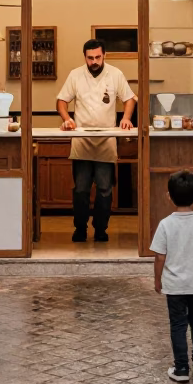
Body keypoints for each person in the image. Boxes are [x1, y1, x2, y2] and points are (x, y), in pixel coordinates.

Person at [56, 40, 136, 243]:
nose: (94, 61)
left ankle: (101, 229)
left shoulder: (115, 74)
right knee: (81, 189)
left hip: (106, 142)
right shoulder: (75, 74)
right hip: (81, 142)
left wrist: (126, 118)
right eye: (90, 58)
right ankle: (80, 229)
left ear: (104, 55)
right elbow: (61, 101)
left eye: (97, 57)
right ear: (85, 57)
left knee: (104, 190)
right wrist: (67, 119)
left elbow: (129, 99)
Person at [150, 169, 193, 382]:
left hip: (175, 286)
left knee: (178, 324)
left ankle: (181, 369)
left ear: (169, 196)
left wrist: (157, 279)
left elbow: (160, 258)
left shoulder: (165, 225)